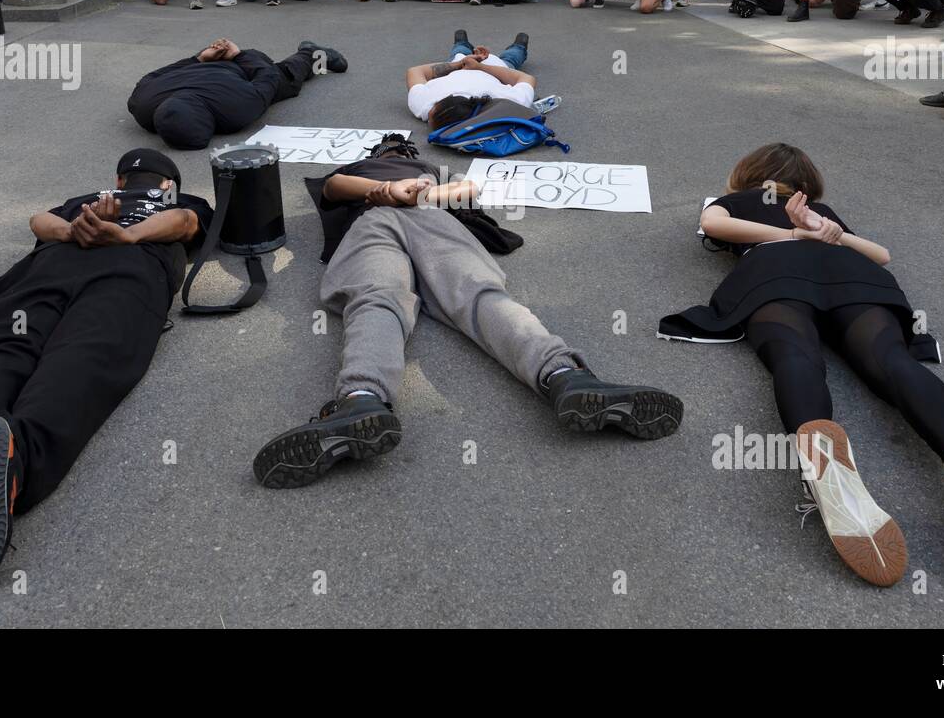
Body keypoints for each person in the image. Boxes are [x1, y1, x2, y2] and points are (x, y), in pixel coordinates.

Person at [657, 144, 944, 599]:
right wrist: (827, 233)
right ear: (807, 185)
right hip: (853, 277)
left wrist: (794, 237)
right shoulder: (820, 210)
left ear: (748, 176)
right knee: (891, 360)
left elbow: (712, 224)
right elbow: (881, 255)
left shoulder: (743, 199)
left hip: (776, 276)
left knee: (795, 357)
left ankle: (824, 460)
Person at [0, 149, 214, 612]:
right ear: (169, 184)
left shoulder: (87, 199)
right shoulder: (173, 201)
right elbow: (186, 224)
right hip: (128, 270)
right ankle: (13, 460)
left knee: (7, 350)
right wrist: (118, 235)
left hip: (52, 268)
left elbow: (38, 221)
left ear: (119, 178)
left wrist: (77, 228)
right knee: (80, 362)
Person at [250, 132, 684, 489]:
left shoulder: (431, 171)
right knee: (379, 296)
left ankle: (566, 378)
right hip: (374, 218)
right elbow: (333, 188)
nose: (394, 151)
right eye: (388, 149)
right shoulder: (357, 172)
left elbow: (469, 189)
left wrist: (425, 190)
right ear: (375, 155)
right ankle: (362, 403)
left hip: (432, 217)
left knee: (476, 295)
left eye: (401, 149)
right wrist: (384, 190)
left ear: (411, 155)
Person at [128, 37, 347, 150]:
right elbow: (160, 73)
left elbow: (268, 75)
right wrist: (199, 59)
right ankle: (310, 52)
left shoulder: (234, 108)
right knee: (277, 80)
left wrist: (235, 55)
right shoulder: (141, 104)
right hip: (215, 64)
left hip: (235, 64)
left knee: (285, 80)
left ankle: (309, 53)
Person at [405, 28, 532, 127]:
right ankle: (518, 46)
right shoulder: (504, 102)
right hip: (494, 69)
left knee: (459, 53)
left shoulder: (426, 104)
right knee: (510, 59)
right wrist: (479, 67)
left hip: (464, 66)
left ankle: (461, 43)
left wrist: (461, 63)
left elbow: (414, 71)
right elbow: (526, 78)